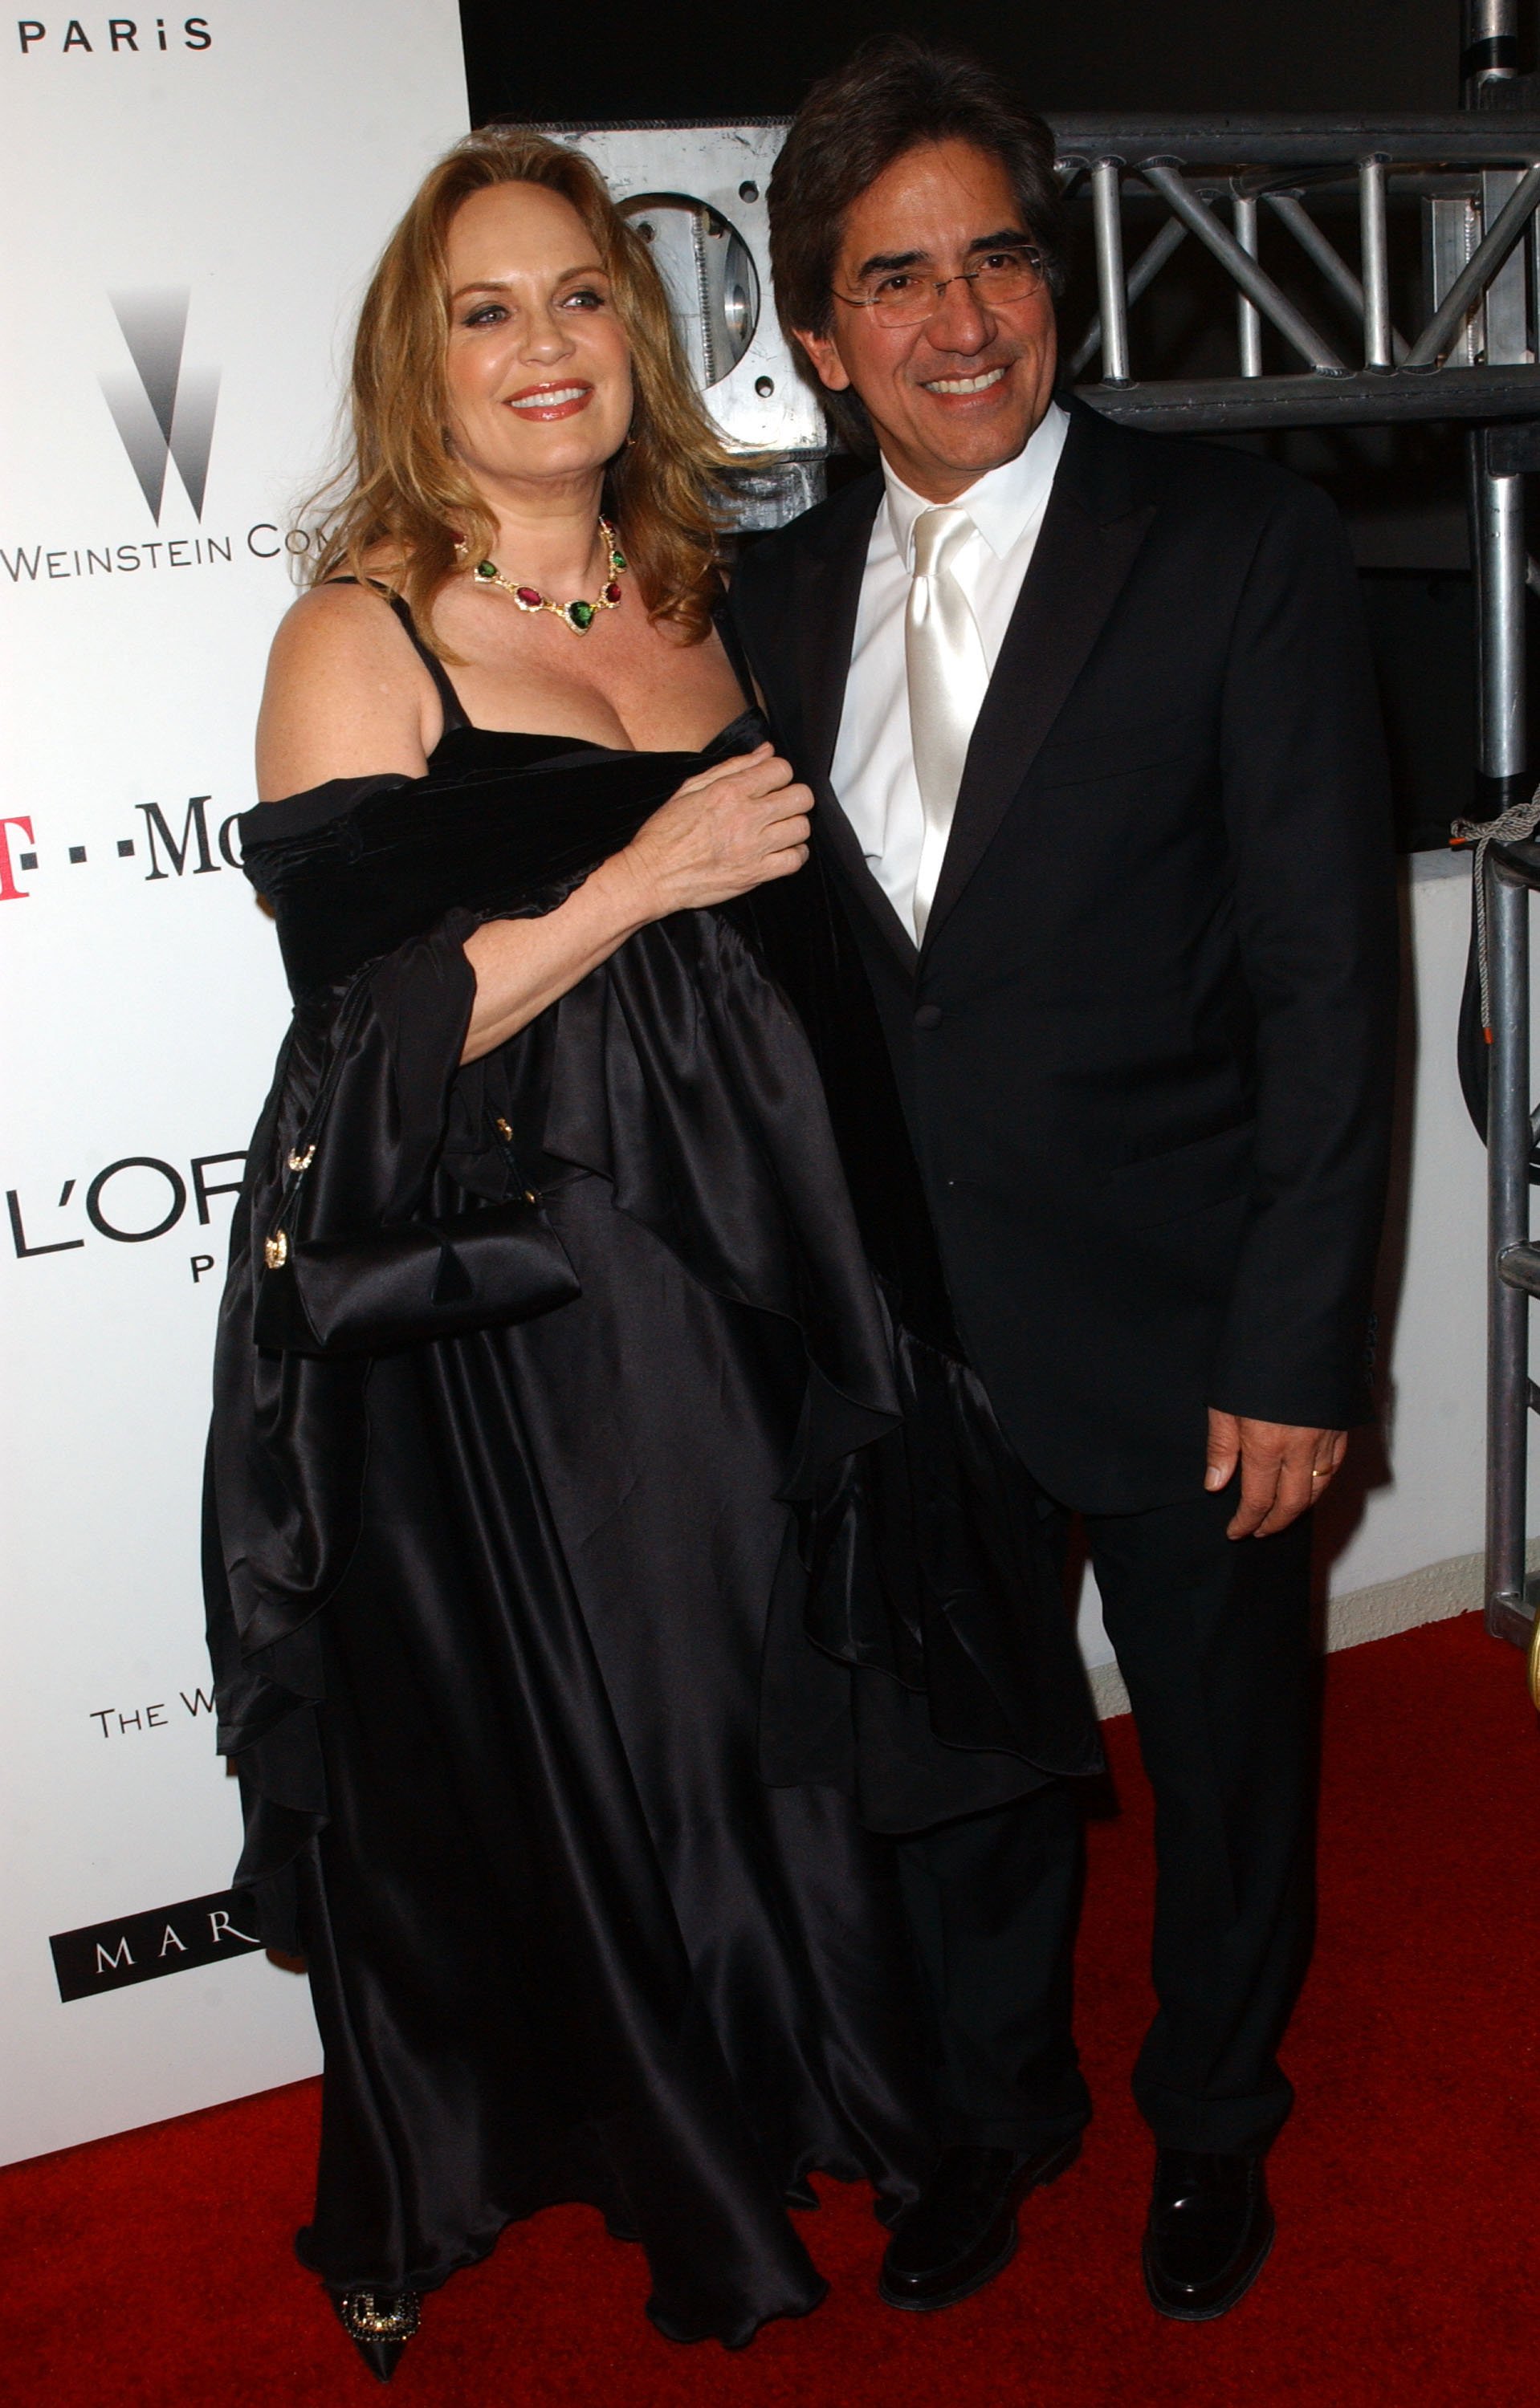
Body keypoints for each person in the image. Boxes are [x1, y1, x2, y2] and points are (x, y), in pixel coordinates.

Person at [203, 127, 1098, 2379]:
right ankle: (611, 2138)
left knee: (783, 1701)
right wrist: (638, 878)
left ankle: (833, 2082)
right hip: (535, 1317)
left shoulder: (713, 594)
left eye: (582, 298)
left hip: (763, 1271)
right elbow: (364, 1044)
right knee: (607, 1738)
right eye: (487, 310)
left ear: (644, 337)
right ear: (425, 358)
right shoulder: (365, 630)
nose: (544, 348)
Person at [731, 38, 1397, 2326]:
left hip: (1189, 1306)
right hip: (906, 1330)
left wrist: (1300, 1341)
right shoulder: (769, 597)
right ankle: (994, 2113)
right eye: (892, 278)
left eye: (997, 254)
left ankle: (1214, 2119)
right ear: (821, 335)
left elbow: (1333, 985)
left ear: (1059, 276)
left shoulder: (1233, 544)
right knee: (970, 1775)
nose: (959, 318)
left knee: (1224, 1771)